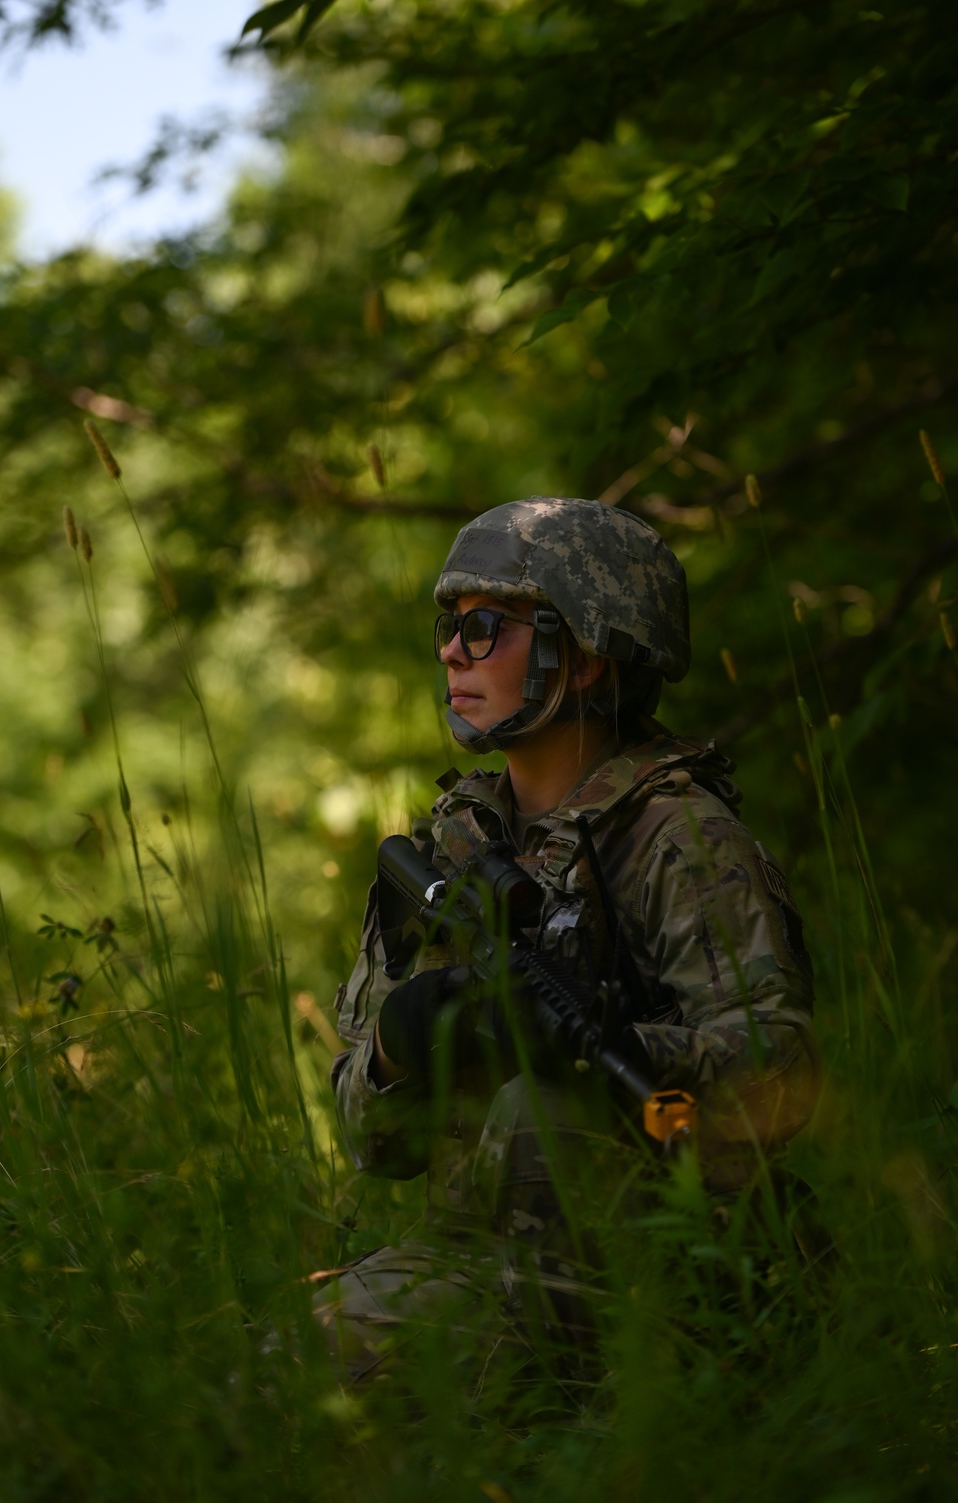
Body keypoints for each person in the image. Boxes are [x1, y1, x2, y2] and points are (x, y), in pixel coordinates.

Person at [313, 496, 819, 1386]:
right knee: (268, 1372)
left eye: (482, 628)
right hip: (481, 1253)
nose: (450, 652)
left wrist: (602, 1051)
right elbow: (376, 1148)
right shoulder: (452, 849)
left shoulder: (679, 839)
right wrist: (403, 1043)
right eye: (449, 627)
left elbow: (779, 1069)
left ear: (580, 658)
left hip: (658, 1272)